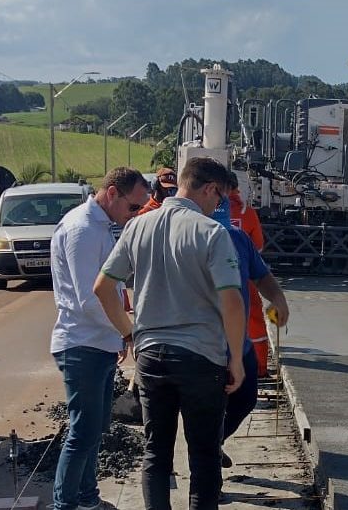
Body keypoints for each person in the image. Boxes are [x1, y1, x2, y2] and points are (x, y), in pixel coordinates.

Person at [93, 157, 245, 510]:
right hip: (200, 358)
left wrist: (130, 335)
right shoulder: (211, 233)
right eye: (219, 198)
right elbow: (232, 302)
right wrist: (235, 358)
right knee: (204, 455)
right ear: (209, 189)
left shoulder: (137, 227)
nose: (217, 206)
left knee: (156, 453)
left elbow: (102, 287)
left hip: (151, 357)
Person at [49, 167, 150, 510]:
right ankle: (65, 505)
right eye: (133, 207)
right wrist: (125, 331)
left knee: (95, 430)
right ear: (112, 194)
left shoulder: (103, 226)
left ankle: (88, 499)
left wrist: (118, 335)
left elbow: (114, 288)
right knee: (83, 433)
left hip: (100, 342)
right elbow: (88, 298)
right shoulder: (83, 230)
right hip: (81, 344)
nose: (133, 215)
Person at [210, 194, 290, 467]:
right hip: (203, 343)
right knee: (209, 409)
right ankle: (209, 478)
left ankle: (214, 442)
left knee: (245, 400)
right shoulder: (191, 238)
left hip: (237, 341)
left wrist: (277, 298)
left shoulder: (238, 239)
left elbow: (261, 274)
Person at [227, 177, 271, 377]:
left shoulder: (205, 210)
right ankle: (260, 367)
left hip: (213, 279)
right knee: (254, 319)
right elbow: (259, 246)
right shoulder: (248, 213)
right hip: (246, 278)